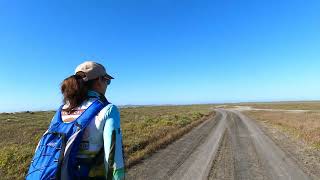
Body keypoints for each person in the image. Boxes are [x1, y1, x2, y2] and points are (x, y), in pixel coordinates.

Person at [60, 61, 125, 179]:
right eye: (107, 81)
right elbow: (113, 159)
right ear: (99, 81)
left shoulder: (62, 110)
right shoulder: (108, 109)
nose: (107, 85)